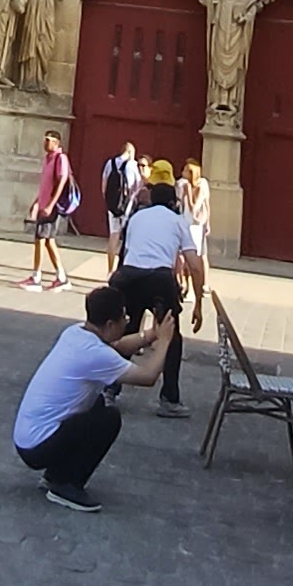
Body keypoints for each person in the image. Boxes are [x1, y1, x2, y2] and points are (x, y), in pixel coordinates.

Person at [11, 284, 177, 514]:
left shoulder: (76, 332)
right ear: (110, 325)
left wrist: (151, 335)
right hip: (37, 446)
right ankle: (66, 486)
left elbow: (118, 346)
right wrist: (165, 342)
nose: (127, 321)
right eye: (124, 317)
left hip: (29, 437)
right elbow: (148, 377)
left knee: (97, 404)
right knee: (109, 418)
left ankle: (56, 475)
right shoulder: (96, 354)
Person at [112, 162, 199, 419]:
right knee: (171, 337)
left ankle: (110, 388)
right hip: (160, 279)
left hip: (130, 276)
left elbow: (124, 252)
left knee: (127, 331)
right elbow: (194, 264)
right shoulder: (178, 221)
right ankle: (169, 398)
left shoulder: (137, 217)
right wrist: (199, 302)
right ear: (173, 201)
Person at [20, 129, 76, 291]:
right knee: (49, 241)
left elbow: (62, 181)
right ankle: (61, 277)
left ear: (56, 142)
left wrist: (51, 204)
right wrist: (37, 202)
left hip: (51, 207)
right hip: (44, 205)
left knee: (40, 239)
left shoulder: (60, 158)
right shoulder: (47, 159)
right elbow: (46, 185)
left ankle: (36, 277)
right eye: (45, 140)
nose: (45, 143)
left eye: (48, 140)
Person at [177, 158, 212, 334]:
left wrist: (187, 192)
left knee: (194, 259)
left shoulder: (200, 185)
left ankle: (197, 287)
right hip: (187, 224)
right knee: (187, 259)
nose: (182, 173)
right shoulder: (184, 184)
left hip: (194, 226)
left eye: (185, 171)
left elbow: (195, 207)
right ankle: (188, 286)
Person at [101, 143, 142, 273]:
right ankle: (124, 268)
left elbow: (104, 185)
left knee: (113, 236)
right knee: (127, 238)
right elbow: (138, 185)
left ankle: (110, 270)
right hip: (128, 205)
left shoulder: (110, 163)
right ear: (130, 152)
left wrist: (109, 202)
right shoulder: (132, 165)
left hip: (113, 205)